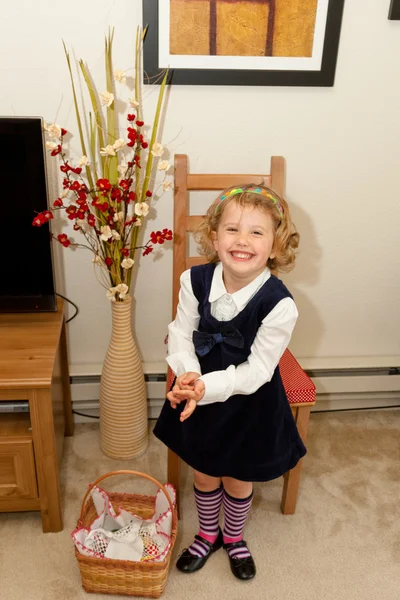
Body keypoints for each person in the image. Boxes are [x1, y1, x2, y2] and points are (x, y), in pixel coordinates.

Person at [153, 183, 306, 581]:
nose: (242, 240)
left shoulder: (280, 304)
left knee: (238, 476)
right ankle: (207, 534)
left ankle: (234, 537)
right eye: (232, 229)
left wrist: (209, 387)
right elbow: (182, 332)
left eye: (257, 232)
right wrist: (188, 373)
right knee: (204, 471)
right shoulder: (194, 280)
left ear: (275, 246)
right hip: (197, 392)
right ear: (214, 237)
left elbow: (258, 371)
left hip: (248, 400)